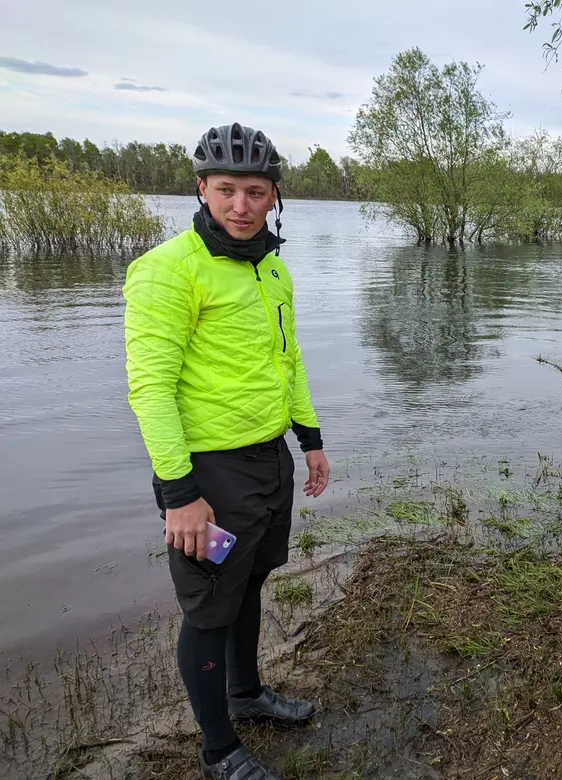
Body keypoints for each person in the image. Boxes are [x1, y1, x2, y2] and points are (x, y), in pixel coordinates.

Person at [123, 122, 331, 780]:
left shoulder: (274, 269)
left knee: (251, 583)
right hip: (206, 478)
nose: (241, 205)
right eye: (226, 190)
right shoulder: (166, 271)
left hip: (269, 464)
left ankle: (246, 695)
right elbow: (151, 389)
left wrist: (311, 439)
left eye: (255, 192)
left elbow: (288, 361)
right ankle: (219, 751)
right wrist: (181, 496)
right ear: (201, 189)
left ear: (274, 196)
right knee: (210, 607)